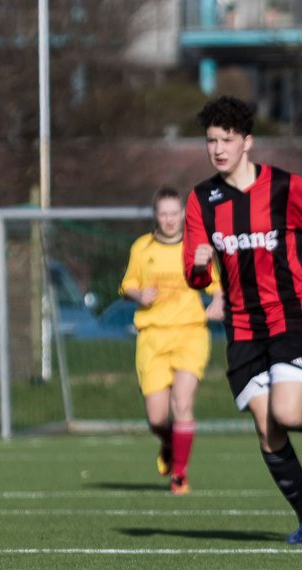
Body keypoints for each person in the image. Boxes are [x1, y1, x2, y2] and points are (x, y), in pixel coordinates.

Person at [183, 95, 302, 545]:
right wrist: (201, 264)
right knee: (268, 428)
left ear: (248, 142)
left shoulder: (285, 187)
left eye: (227, 139)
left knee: (287, 412)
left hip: (291, 318)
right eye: (210, 141)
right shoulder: (202, 199)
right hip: (241, 330)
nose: (218, 148)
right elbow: (193, 271)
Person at [120, 187, 225, 495]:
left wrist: (218, 301)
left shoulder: (196, 247)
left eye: (174, 213)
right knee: (156, 417)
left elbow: (216, 285)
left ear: (182, 214)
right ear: (156, 215)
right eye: (163, 213)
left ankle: (179, 474)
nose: (168, 219)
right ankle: (168, 443)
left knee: (183, 403)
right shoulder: (142, 247)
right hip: (152, 337)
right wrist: (139, 294)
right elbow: (127, 284)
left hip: (190, 333)